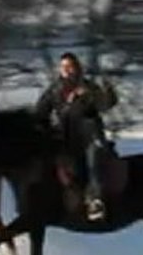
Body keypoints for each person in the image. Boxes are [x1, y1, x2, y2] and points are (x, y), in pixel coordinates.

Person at [35, 52, 118, 221]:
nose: (68, 71)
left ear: (77, 68)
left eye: (71, 67)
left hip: (88, 136)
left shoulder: (88, 87)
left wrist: (106, 91)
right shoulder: (54, 90)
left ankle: (95, 200)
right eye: (64, 67)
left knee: (93, 161)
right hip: (65, 137)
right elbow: (40, 112)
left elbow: (105, 104)